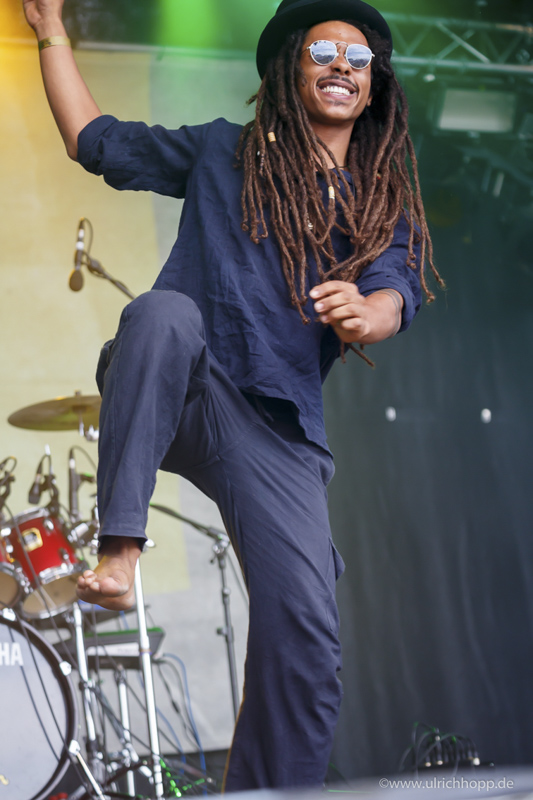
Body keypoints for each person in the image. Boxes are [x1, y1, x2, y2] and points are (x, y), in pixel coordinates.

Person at [23, 0, 443, 790]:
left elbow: (399, 288)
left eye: (358, 58)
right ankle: (121, 550)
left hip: (276, 431)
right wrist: (50, 31)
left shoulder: (378, 199)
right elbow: (92, 139)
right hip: (184, 382)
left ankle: (263, 790)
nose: (341, 65)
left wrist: (372, 310)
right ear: (290, 66)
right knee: (162, 312)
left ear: (374, 86)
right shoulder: (224, 149)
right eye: (322, 50)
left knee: (306, 638)